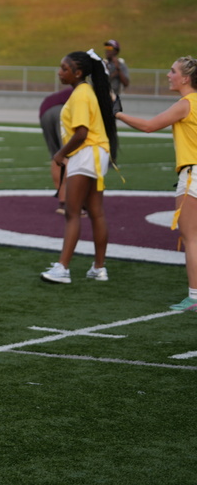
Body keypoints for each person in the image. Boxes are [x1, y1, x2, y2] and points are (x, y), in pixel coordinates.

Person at [115, 56, 197, 309]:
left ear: (185, 78)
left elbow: (149, 126)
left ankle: (195, 297)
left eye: (173, 71)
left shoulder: (186, 104)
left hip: (193, 175)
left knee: (191, 238)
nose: (168, 75)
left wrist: (117, 113)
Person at [41, 50, 118, 284]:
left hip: (86, 153)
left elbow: (82, 133)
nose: (59, 72)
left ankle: (63, 268)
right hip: (95, 153)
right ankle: (99, 268)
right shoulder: (84, 92)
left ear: (78, 73)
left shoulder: (81, 94)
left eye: (64, 68)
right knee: (96, 212)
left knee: (72, 212)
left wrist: (60, 153)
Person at [39, 87, 74, 214]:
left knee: (56, 156)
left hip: (45, 111)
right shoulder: (88, 90)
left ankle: (62, 202)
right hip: (62, 112)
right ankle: (73, 202)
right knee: (68, 155)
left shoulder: (75, 88)